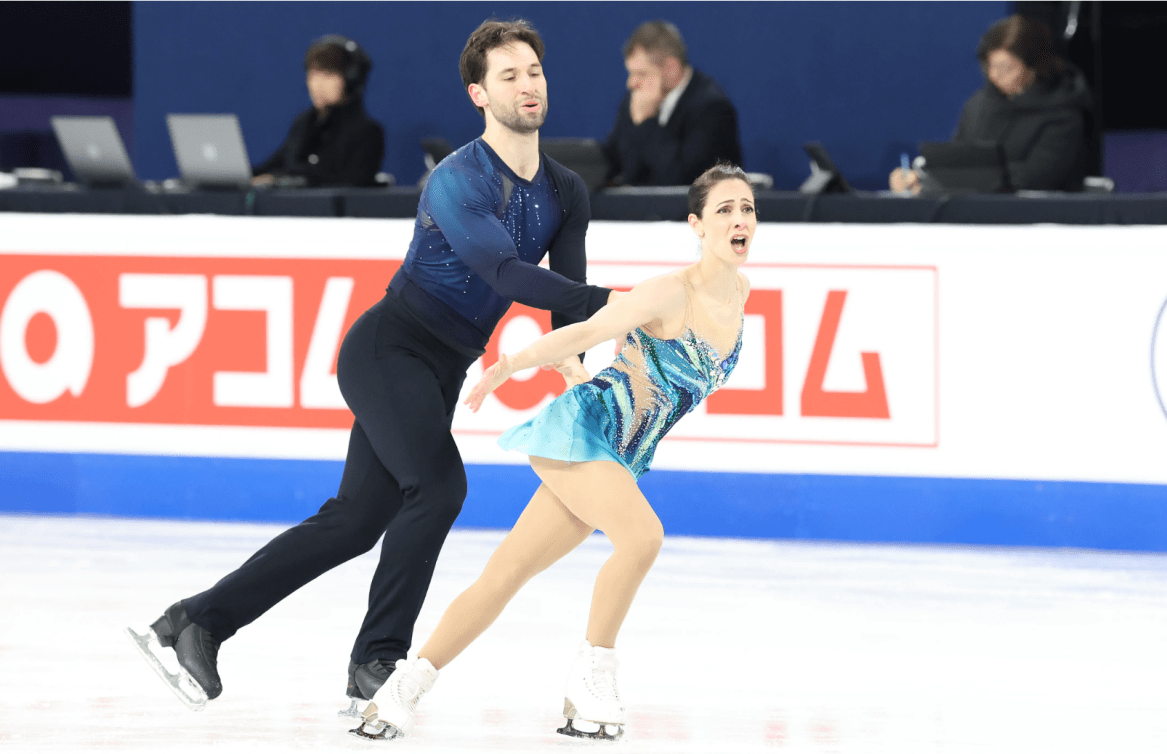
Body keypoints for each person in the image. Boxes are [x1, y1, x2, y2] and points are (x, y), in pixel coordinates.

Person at [126, 18, 616, 716]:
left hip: (442, 366)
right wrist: (616, 304)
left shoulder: (566, 191)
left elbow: (563, 305)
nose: (527, 84)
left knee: (356, 520)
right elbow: (505, 273)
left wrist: (576, 358)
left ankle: (195, 622)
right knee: (439, 488)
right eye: (508, 75)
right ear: (478, 93)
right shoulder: (457, 179)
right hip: (391, 347)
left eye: (533, 70)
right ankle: (377, 660)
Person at [351, 162, 755, 742]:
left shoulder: (740, 293)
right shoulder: (669, 292)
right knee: (642, 537)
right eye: (725, 210)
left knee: (504, 574)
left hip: (618, 455)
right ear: (696, 224)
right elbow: (586, 332)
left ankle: (402, 689)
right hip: (583, 433)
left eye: (747, 209)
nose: (739, 220)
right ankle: (593, 675)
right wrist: (512, 365)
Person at [891, 15, 1092, 194]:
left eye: (1006, 68)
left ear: (1034, 67)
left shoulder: (1063, 113)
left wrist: (961, 180)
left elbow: (1038, 175)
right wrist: (924, 180)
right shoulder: (979, 104)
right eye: (990, 66)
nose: (994, 76)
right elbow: (957, 160)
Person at [602, 20, 743, 187]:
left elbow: (683, 181)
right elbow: (620, 167)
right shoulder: (633, 100)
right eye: (631, 73)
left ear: (671, 68)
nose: (632, 83)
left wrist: (647, 123)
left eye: (641, 73)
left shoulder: (712, 108)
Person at [251, 35, 385, 187]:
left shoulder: (366, 132)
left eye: (327, 75)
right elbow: (275, 164)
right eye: (313, 75)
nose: (317, 84)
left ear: (351, 80)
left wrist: (282, 181)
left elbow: (346, 183)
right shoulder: (304, 123)